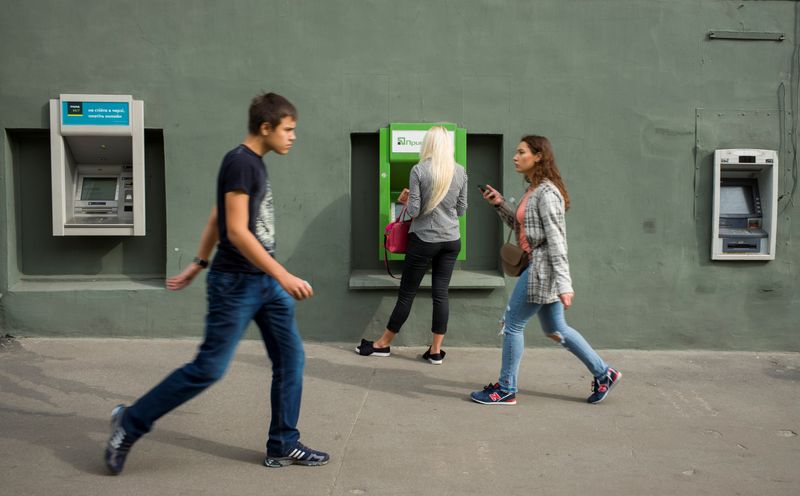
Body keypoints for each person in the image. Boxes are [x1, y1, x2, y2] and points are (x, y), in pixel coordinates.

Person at [103, 92, 329, 475]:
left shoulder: (251, 163)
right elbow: (238, 233)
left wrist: (197, 262)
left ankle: (283, 444)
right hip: (239, 285)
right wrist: (283, 275)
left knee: (291, 360)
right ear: (265, 127)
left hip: (264, 283)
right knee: (209, 369)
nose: (293, 137)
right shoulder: (242, 163)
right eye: (288, 130)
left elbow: (216, 217)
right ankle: (131, 421)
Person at [470, 135, 621, 405]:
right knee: (557, 327)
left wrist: (565, 285)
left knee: (512, 324)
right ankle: (604, 373)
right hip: (537, 265)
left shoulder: (547, 193)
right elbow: (522, 227)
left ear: (538, 156)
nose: (515, 157)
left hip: (542, 269)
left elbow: (557, 241)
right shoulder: (533, 190)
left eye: (521, 152)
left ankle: (506, 389)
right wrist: (499, 204)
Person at [355, 126, 468, 364]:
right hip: (451, 241)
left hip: (424, 240)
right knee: (441, 294)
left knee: (407, 294)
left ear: (428, 144)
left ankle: (382, 344)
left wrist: (403, 200)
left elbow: (414, 211)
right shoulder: (460, 171)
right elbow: (461, 210)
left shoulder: (419, 170)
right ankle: (435, 351)